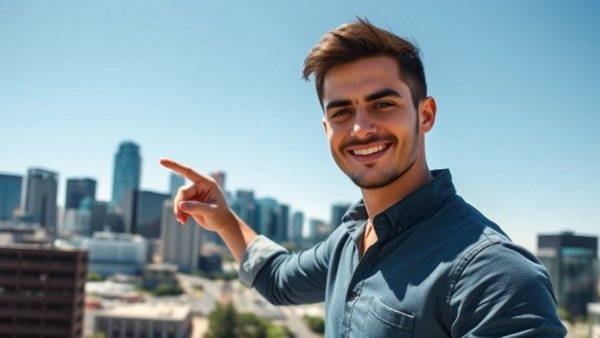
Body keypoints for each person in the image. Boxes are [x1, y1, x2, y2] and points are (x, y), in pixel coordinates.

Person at [161, 18, 566, 337]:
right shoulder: (350, 240)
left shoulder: (493, 273)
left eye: (383, 104)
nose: (360, 128)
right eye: (341, 113)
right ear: (326, 130)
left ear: (425, 115)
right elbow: (277, 279)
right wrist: (226, 220)